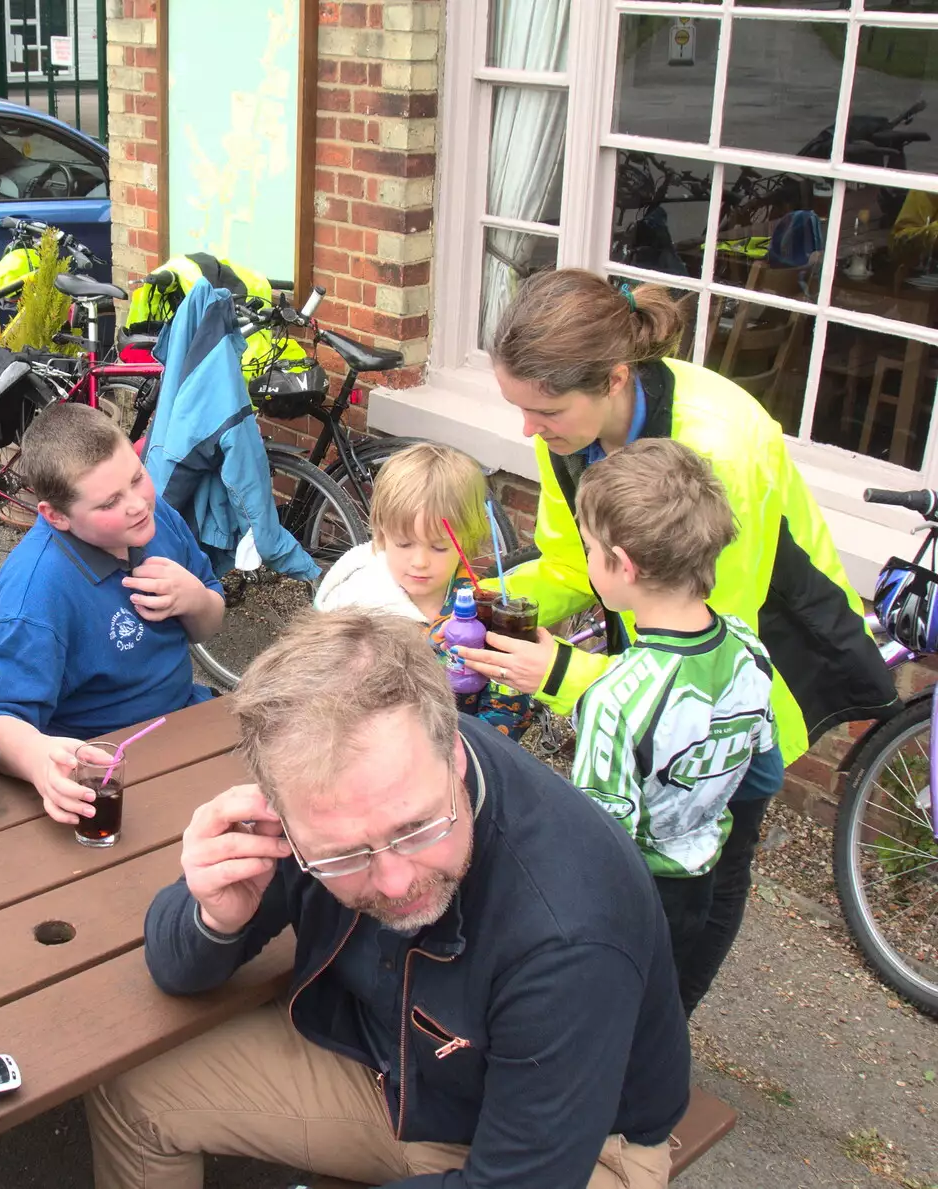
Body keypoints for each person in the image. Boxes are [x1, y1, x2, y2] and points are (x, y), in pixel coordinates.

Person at [89, 611, 690, 1189]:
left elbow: (524, 1179)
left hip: (577, 1153)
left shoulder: (568, 931)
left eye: (417, 828)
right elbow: (174, 968)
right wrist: (215, 919)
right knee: (132, 1091)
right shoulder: (327, 798)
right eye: (342, 855)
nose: (396, 882)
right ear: (281, 815)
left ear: (453, 752)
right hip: (388, 1067)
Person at [456, 268, 898, 1010]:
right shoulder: (568, 424)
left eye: (545, 411)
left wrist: (562, 669)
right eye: (518, 409)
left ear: (616, 378)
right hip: (656, 667)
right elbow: (571, 563)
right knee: (645, 865)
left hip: (755, 657)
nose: (528, 430)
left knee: (713, 856)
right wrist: (488, 601)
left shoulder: (718, 450)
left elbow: (710, 663)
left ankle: (668, 1019)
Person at [568, 439, 778, 1015]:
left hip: (631, 899)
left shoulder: (614, 700)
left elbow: (598, 845)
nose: (587, 560)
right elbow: (761, 760)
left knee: (607, 1016)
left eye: (589, 549)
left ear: (624, 564)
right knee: (661, 1009)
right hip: (699, 880)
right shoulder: (749, 650)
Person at [0, 401, 225, 826]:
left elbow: (209, 623)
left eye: (137, 477)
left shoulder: (154, 516)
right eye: (110, 502)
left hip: (186, 719)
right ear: (55, 516)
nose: (137, 504)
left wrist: (196, 600)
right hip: (105, 765)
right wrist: (39, 759)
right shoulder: (35, 591)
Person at [315, 441, 531, 737]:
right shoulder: (355, 602)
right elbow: (320, 693)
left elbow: (507, 705)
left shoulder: (484, 612)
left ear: (466, 542)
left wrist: (472, 753)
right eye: (404, 544)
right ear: (381, 533)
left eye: (439, 547)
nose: (419, 562)